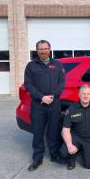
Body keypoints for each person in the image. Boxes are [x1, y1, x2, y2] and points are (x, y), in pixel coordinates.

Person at [24, 40, 66, 171]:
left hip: (54, 104)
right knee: (38, 132)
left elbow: (62, 83)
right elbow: (28, 84)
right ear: (37, 50)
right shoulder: (31, 66)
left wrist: (52, 96)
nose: (43, 51)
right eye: (40, 49)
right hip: (38, 105)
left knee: (53, 131)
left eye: (45, 48)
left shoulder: (58, 64)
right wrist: (41, 97)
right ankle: (37, 158)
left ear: (50, 49)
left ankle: (54, 155)